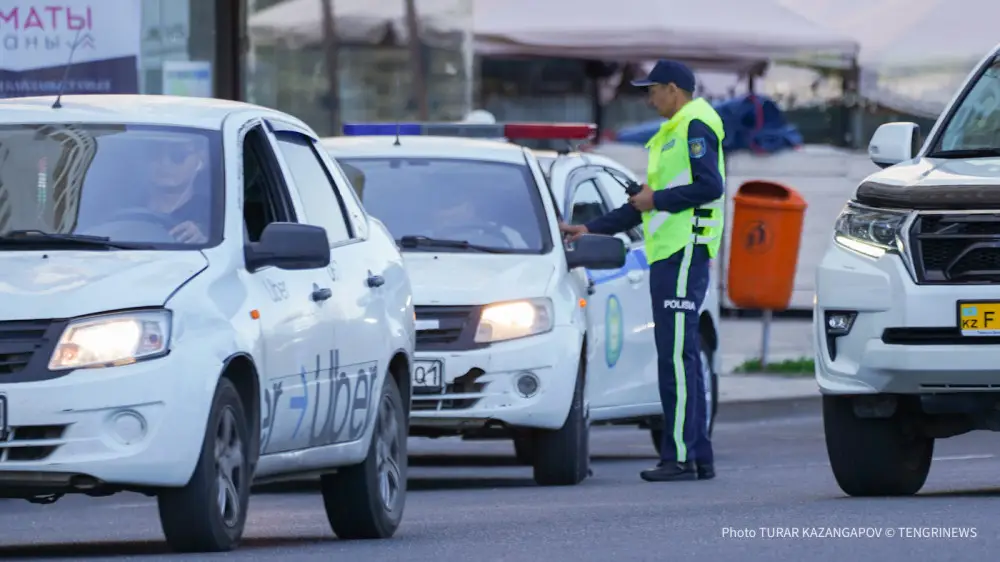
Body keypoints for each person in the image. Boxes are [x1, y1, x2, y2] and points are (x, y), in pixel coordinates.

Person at [560, 60, 726, 482]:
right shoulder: (672, 132)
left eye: (652, 90)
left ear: (673, 88)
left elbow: (710, 187)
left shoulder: (695, 123)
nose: (648, 98)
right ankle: (696, 456)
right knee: (680, 357)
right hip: (670, 252)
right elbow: (643, 204)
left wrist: (659, 201)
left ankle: (680, 458)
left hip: (684, 251)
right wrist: (590, 227)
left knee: (676, 356)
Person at [145, 135, 211, 244]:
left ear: (201, 160)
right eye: (154, 154)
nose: (165, 163)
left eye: (178, 155)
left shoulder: (215, 212)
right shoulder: (123, 204)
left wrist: (203, 240)